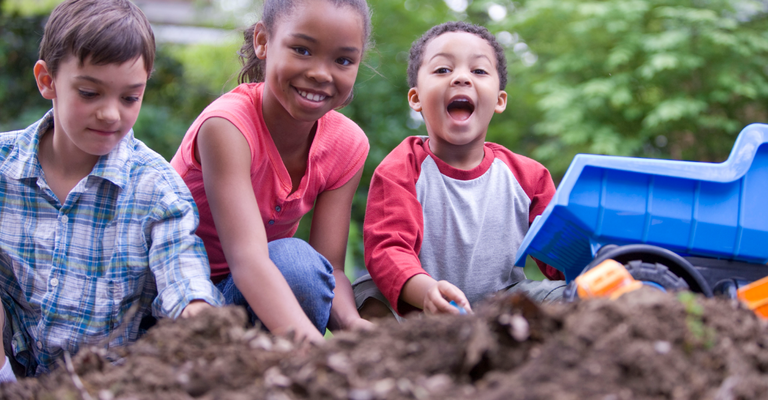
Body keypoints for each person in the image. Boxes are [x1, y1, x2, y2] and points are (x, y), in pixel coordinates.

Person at [0, 0, 224, 381]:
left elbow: (181, 272)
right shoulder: (4, 165)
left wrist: (198, 312)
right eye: (90, 93)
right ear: (47, 80)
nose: (110, 114)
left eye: (129, 97)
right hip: (14, 367)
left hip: (112, 379)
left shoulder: (157, 188)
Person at [170, 0, 373, 345]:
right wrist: (318, 352)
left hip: (256, 296)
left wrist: (354, 327)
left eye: (342, 60)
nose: (321, 73)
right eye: (302, 50)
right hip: (179, 297)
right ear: (263, 42)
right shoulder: (228, 126)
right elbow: (247, 260)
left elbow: (332, 269)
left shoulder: (347, 144)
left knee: (301, 268)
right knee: (293, 263)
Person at [354, 21, 566, 321]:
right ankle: (403, 360)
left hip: (504, 307)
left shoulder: (529, 176)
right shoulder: (400, 169)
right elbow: (388, 249)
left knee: (571, 295)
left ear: (499, 100)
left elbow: (561, 258)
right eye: (442, 70)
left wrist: (603, 264)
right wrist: (425, 291)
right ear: (415, 98)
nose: (461, 78)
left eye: (479, 71)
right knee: (363, 294)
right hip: (422, 307)